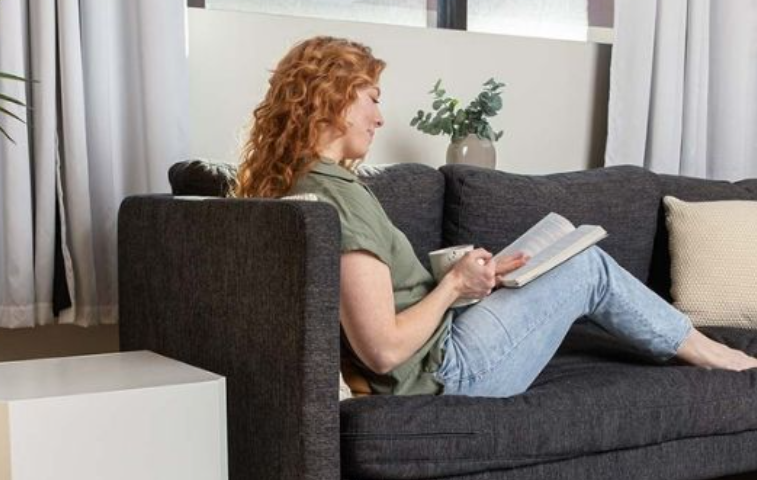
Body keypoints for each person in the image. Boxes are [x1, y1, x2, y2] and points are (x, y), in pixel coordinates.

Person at [236, 35, 757, 397]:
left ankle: (697, 344)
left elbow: (382, 301)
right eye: (372, 98)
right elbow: (383, 351)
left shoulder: (310, 185)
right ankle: (712, 352)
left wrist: (469, 278)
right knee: (587, 265)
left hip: (442, 348)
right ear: (333, 98)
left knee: (558, 256)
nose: (380, 117)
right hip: (448, 370)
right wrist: (455, 288)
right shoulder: (335, 201)